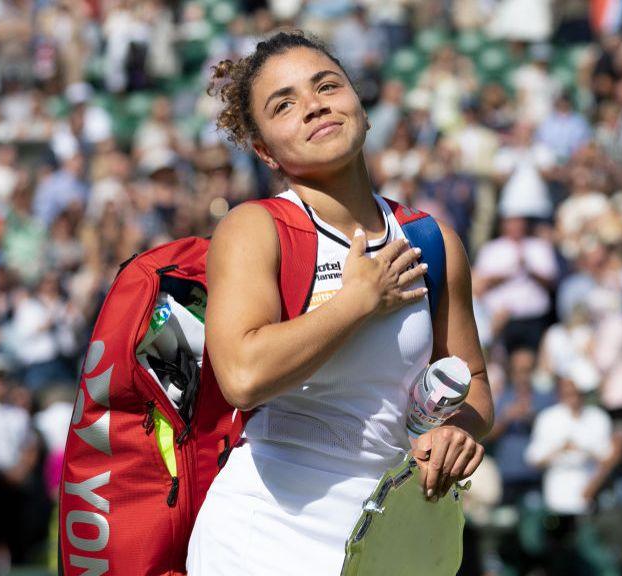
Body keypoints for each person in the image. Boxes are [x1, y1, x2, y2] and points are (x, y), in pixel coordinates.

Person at [187, 31, 493, 575]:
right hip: (262, 533)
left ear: (361, 105)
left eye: (327, 85)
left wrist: (457, 433)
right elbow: (242, 375)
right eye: (283, 105)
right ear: (265, 151)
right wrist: (355, 302)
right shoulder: (254, 229)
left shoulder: (432, 241)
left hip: (391, 537)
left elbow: (473, 382)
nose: (313, 107)